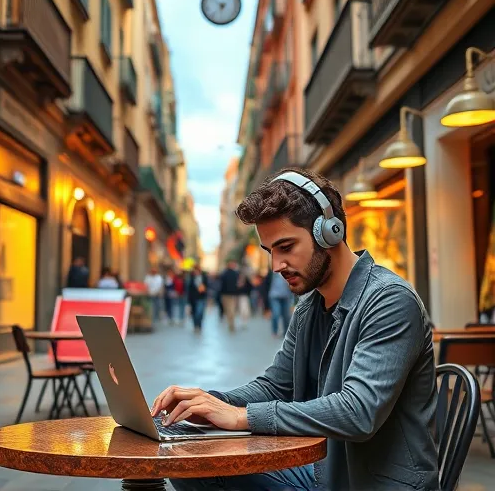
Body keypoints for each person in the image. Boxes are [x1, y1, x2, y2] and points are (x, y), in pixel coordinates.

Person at [151, 167, 438, 491]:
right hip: (322, 470)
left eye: (286, 247)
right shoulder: (309, 308)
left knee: (195, 464)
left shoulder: (389, 301)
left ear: (329, 232)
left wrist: (241, 418)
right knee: (188, 460)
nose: (275, 266)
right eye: (270, 251)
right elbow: (276, 386)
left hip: (375, 483)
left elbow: (359, 411)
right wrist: (209, 404)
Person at [268, 271, 293, 337]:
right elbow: (267, 283)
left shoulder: (290, 272)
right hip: (274, 296)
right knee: (276, 314)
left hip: (286, 296)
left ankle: (286, 333)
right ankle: (274, 331)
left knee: (286, 316)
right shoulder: (273, 273)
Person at [219, 259, 240, 332]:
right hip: (228, 295)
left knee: (230, 310)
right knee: (230, 310)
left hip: (230, 295)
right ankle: (231, 324)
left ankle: (231, 324)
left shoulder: (225, 273)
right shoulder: (234, 273)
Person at [187, 265, 208, 334]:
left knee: (200, 312)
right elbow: (189, 290)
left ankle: (199, 325)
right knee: (194, 313)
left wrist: (204, 289)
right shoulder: (191, 278)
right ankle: (195, 325)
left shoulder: (204, 278)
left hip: (201, 298)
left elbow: (207, 286)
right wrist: (189, 300)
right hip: (193, 298)